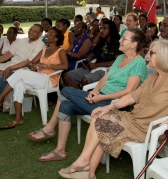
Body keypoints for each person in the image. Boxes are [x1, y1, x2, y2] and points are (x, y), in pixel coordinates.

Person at [28, 28, 150, 164]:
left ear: (134, 44)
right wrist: (96, 90)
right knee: (66, 106)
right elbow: (105, 77)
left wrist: (101, 98)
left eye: (124, 39)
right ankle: (60, 151)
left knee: (66, 91)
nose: (120, 41)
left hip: (114, 106)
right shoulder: (121, 57)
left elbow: (129, 91)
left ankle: (50, 129)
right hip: (101, 98)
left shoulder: (138, 63)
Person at [58, 39, 168, 179]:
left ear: (163, 57)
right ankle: (88, 171)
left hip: (147, 128)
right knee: (100, 117)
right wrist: (110, 106)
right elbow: (133, 96)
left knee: (102, 126)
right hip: (134, 119)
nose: (147, 56)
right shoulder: (153, 77)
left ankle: (85, 166)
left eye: (150, 53)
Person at [0, 27, 68, 127]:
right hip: (38, 77)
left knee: (19, 73)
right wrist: (33, 66)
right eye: (47, 33)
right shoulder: (44, 50)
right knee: (19, 85)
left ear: (56, 39)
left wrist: (48, 66)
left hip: (49, 80)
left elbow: (65, 66)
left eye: (50, 34)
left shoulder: (60, 51)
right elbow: (32, 62)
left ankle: (0, 98)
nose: (47, 35)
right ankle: (18, 118)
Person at [63, 20, 120, 89]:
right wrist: (87, 61)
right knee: (66, 76)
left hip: (107, 70)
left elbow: (118, 61)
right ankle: (80, 93)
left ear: (111, 30)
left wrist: (96, 65)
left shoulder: (117, 43)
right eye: (101, 28)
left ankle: (83, 95)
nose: (101, 30)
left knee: (85, 80)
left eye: (104, 28)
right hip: (95, 66)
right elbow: (93, 54)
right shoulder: (101, 41)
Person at [0, 24, 45, 98]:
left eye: (34, 31)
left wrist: (9, 68)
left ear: (40, 34)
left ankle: (2, 102)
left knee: (0, 78)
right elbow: (10, 53)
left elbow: (27, 62)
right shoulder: (23, 40)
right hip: (10, 64)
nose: (31, 32)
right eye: (30, 29)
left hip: (21, 69)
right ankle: (4, 94)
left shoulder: (40, 45)